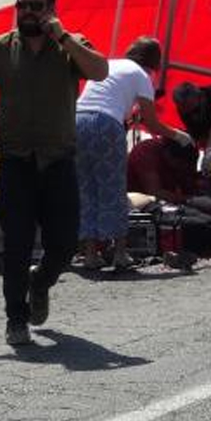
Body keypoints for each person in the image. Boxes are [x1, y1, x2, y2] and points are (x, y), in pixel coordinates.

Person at [0, 0, 109, 346]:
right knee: (17, 243)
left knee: (62, 245)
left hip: (58, 160)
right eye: (22, 5)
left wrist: (64, 38)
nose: (27, 12)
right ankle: (16, 318)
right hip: (14, 161)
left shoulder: (69, 47)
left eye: (36, 6)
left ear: (51, 9)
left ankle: (40, 282)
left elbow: (100, 71)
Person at [75, 37, 193, 271]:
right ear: (154, 63)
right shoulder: (141, 75)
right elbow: (152, 123)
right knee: (114, 187)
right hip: (106, 123)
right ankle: (120, 252)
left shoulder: (110, 64)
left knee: (86, 188)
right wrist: (179, 135)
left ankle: (90, 254)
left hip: (77, 120)